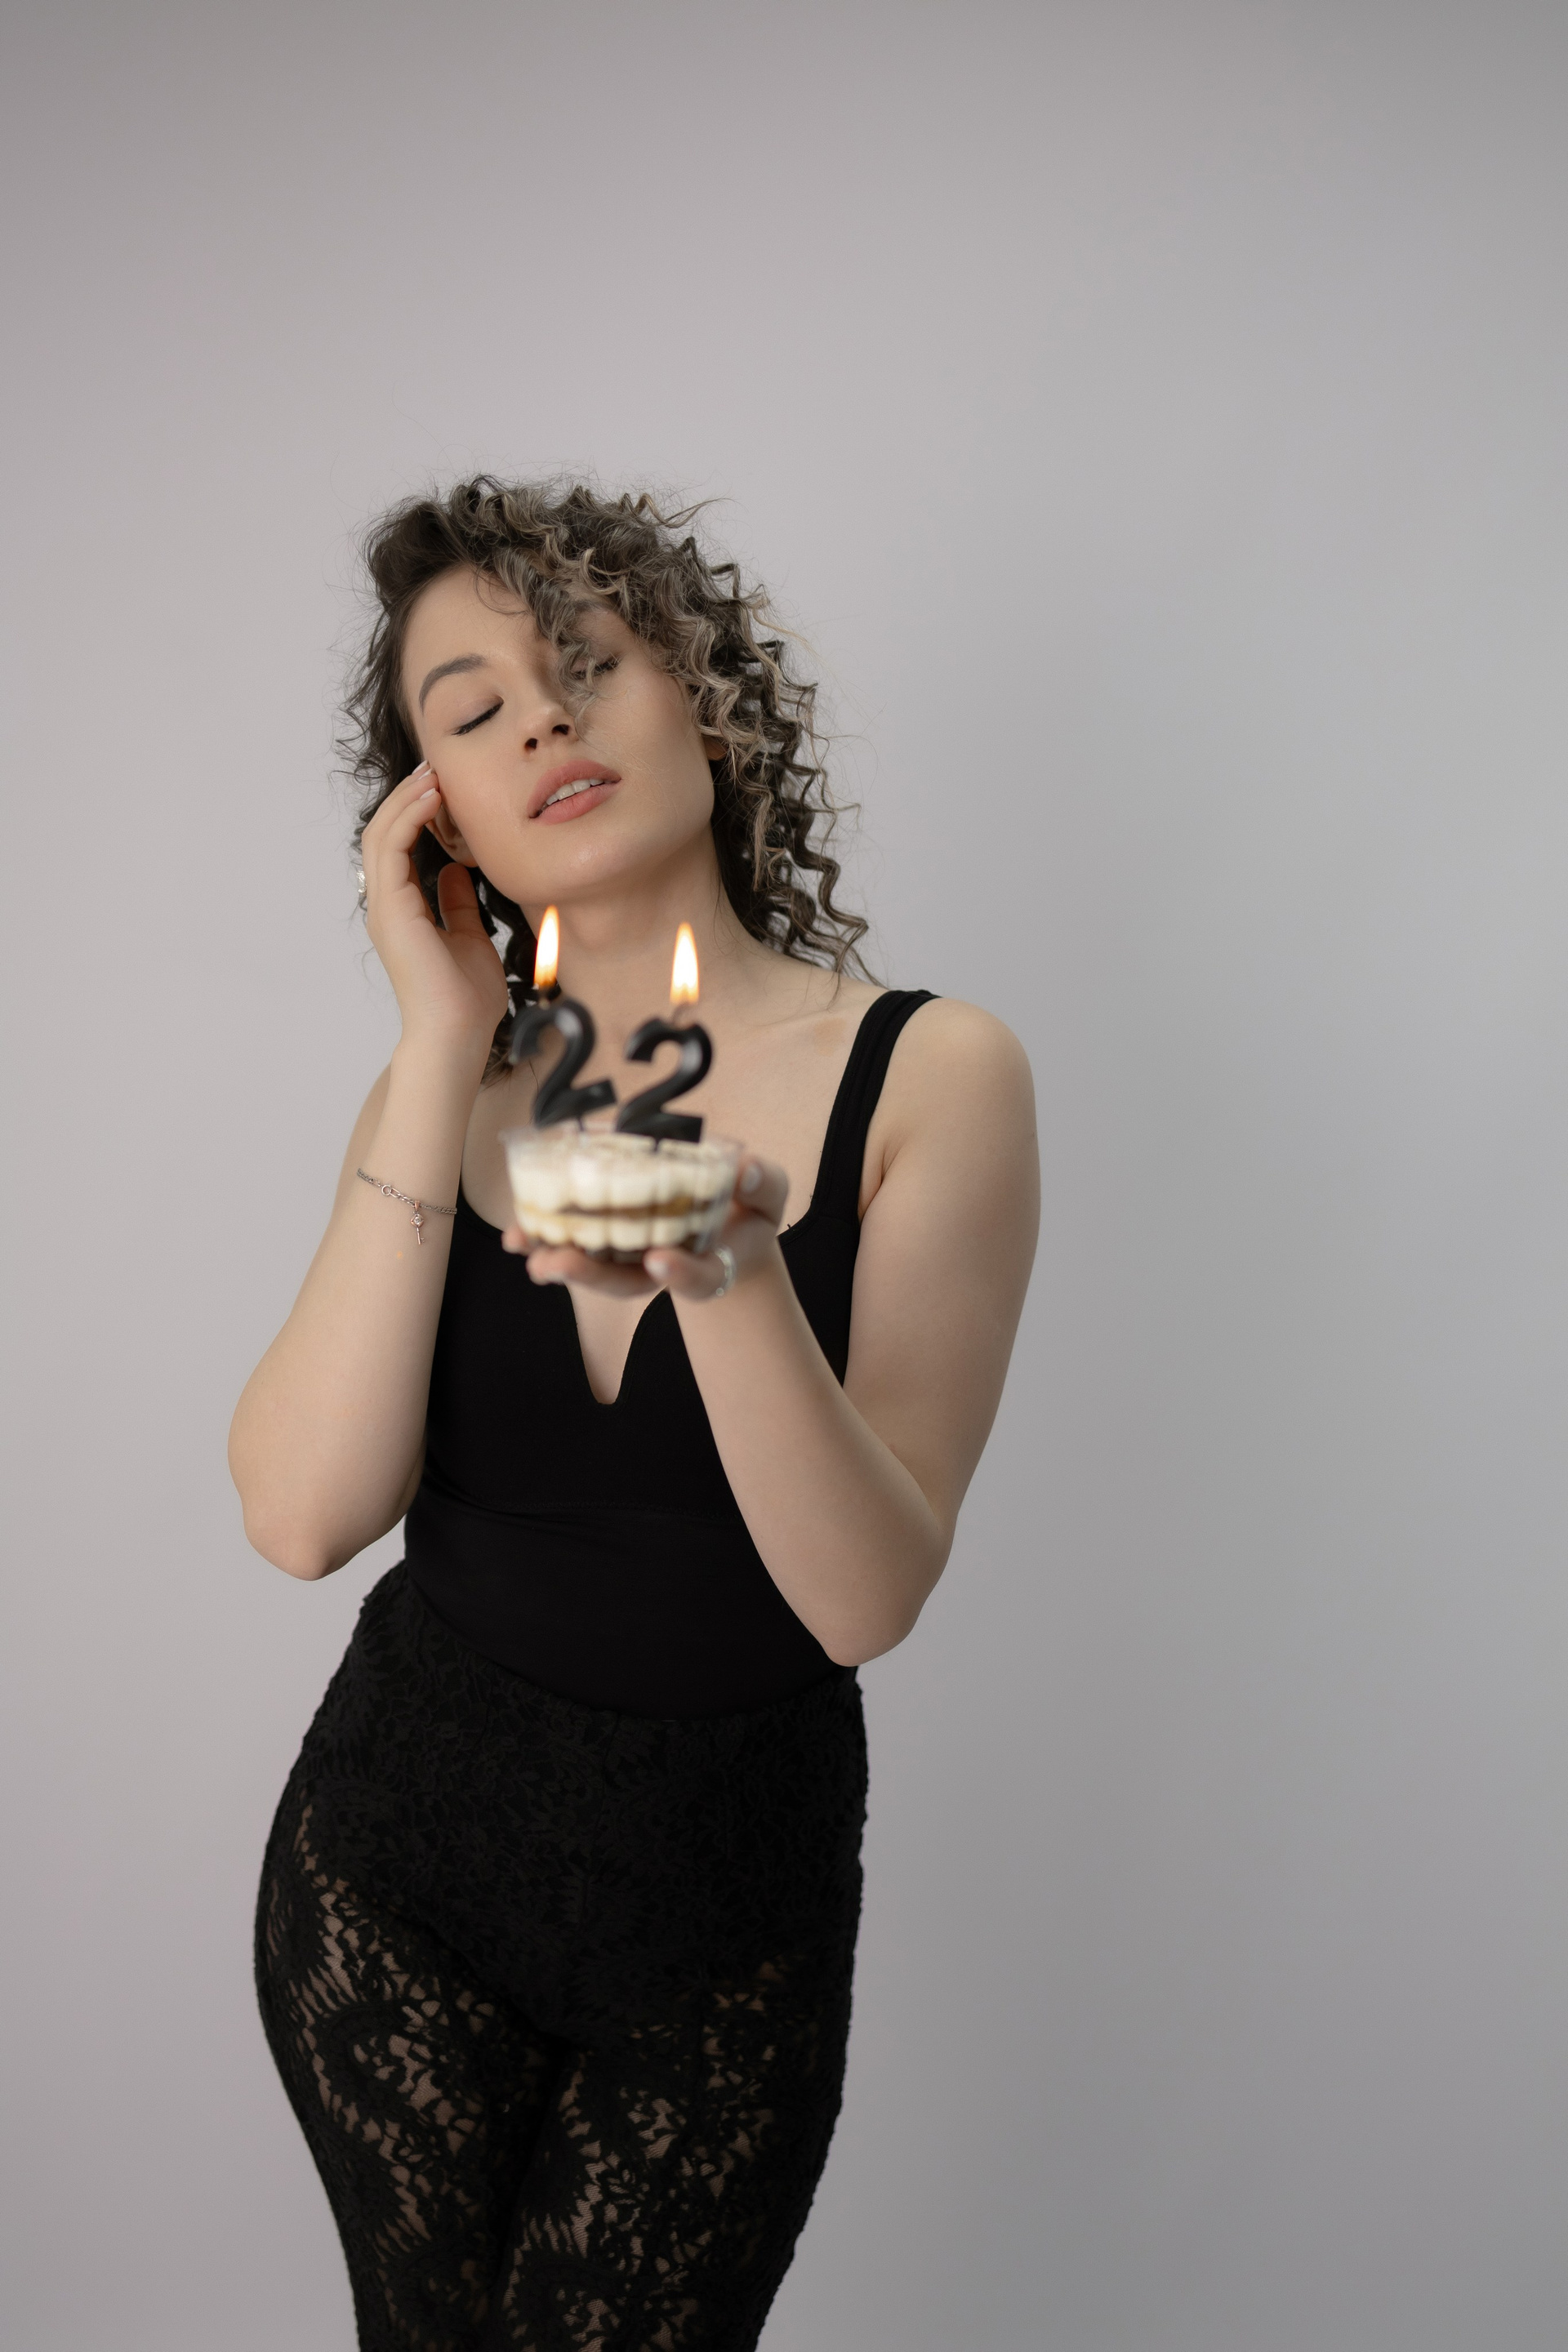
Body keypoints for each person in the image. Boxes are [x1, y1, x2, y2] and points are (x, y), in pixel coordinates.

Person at [229, 478, 1039, 2350]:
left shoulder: (934, 1075)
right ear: (436, 812)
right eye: (472, 708)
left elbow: (862, 1599)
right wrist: (442, 1040)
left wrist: (728, 1270)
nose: (542, 721)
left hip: (721, 1916)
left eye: (586, 662)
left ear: (710, 701)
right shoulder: (442, 1089)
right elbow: (303, 1515)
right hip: (398, 1871)